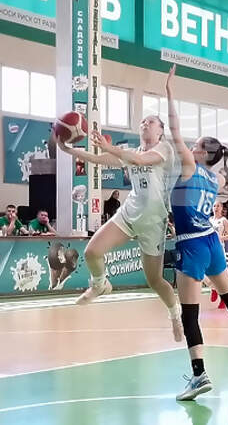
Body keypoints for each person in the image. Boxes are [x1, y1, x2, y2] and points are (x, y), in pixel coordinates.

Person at [165, 65, 228, 401]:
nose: (190, 146)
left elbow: (174, 128)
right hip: (211, 242)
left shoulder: (189, 165)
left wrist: (169, 91)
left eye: (195, 145)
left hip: (191, 245)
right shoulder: (214, 178)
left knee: (190, 313)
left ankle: (199, 375)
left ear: (200, 152)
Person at [57, 97, 183, 343]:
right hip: (129, 213)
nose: (145, 123)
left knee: (155, 281)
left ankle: (174, 315)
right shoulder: (130, 153)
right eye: (142, 121)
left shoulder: (164, 150)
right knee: (92, 252)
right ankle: (100, 284)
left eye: (151, 122)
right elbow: (97, 159)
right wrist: (68, 149)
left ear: (160, 131)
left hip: (153, 223)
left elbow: (140, 161)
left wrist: (109, 147)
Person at [208, 201, 228, 309]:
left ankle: (224, 298)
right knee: (205, 272)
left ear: (222, 208)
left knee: (221, 274)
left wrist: (221, 238)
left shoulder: (223, 220)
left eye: (218, 206)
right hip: (208, 248)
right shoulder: (209, 220)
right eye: (214, 206)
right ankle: (213, 288)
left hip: (219, 249)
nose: (216, 207)